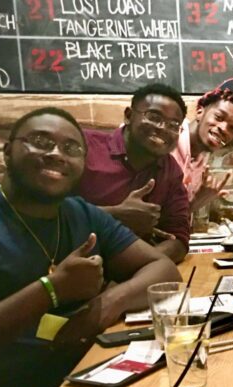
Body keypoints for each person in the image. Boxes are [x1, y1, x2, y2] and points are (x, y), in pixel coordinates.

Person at [0, 107, 180, 387]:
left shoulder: (80, 213)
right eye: (40, 142)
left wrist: (105, 306)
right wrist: (51, 290)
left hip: (83, 379)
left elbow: (163, 268)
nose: (56, 154)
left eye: (71, 148)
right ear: (7, 152)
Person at [78, 83, 190, 263]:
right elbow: (44, 213)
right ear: (129, 115)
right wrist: (115, 215)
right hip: (68, 267)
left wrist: (134, 266)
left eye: (173, 124)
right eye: (154, 117)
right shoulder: (85, 148)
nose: (162, 128)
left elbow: (178, 237)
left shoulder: (170, 170)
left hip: (131, 271)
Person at [172, 78, 233, 211]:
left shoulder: (200, 160)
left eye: (232, 128)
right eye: (219, 117)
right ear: (200, 112)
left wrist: (198, 201)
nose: (224, 128)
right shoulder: (168, 138)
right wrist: (194, 204)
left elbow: (175, 215)